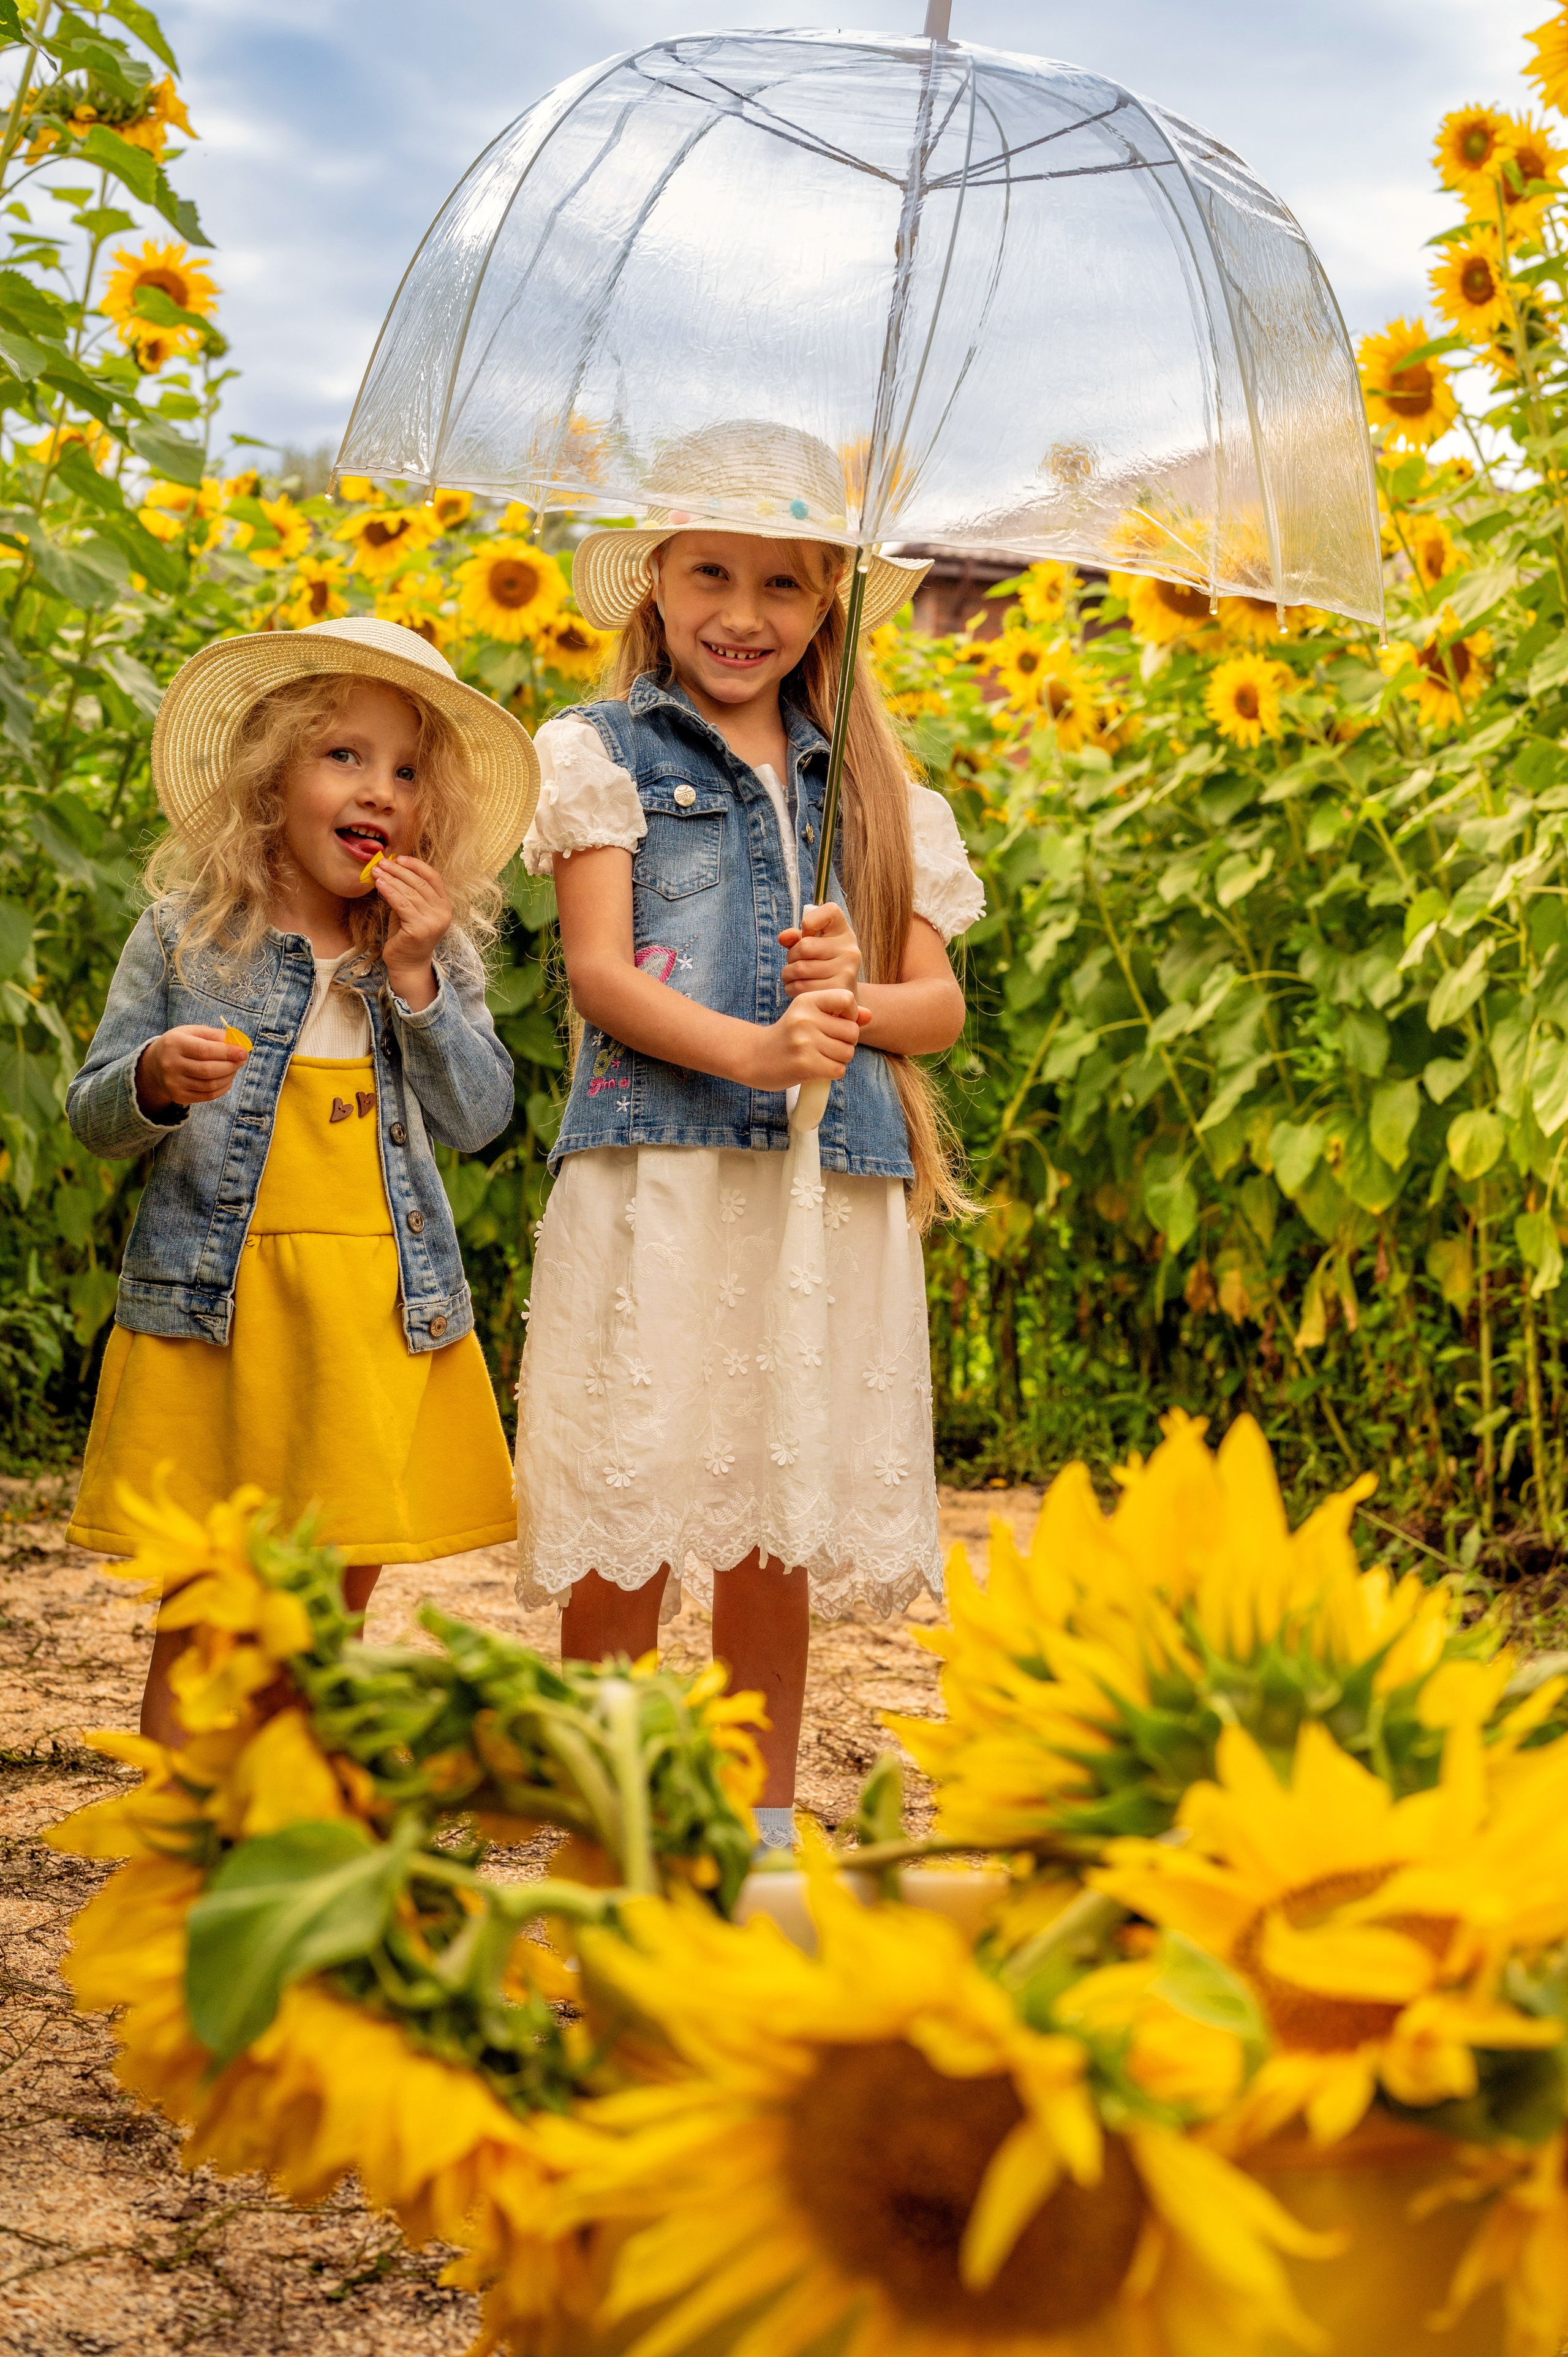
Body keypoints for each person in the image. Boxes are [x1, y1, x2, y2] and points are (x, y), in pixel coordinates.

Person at [514, 421, 984, 1849]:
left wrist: (852, 995)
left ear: (825, 605)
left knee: (776, 1501)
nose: (742, 613)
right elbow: (598, 975)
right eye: (709, 572)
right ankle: (600, 1814)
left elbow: (936, 1010)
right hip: (659, 1177)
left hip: (820, 1191)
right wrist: (754, 1047)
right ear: (652, 580)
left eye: (783, 586)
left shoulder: (880, 796)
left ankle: (756, 1819)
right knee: (636, 1492)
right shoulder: (595, 752)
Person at [66, 616, 538, 1745]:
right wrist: (153, 1081)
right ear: (268, 780)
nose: (380, 789)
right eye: (344, 756)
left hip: (371, 1318)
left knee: (330, 1612)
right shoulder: (189, 934)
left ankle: (293, 1825)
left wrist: (417, 981)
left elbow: (481, 1119)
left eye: (408, 770)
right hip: (218, 1313)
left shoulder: (428, 951)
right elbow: (93, 1115)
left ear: (433, 813)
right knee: (210, 1603)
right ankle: (184, 1837)